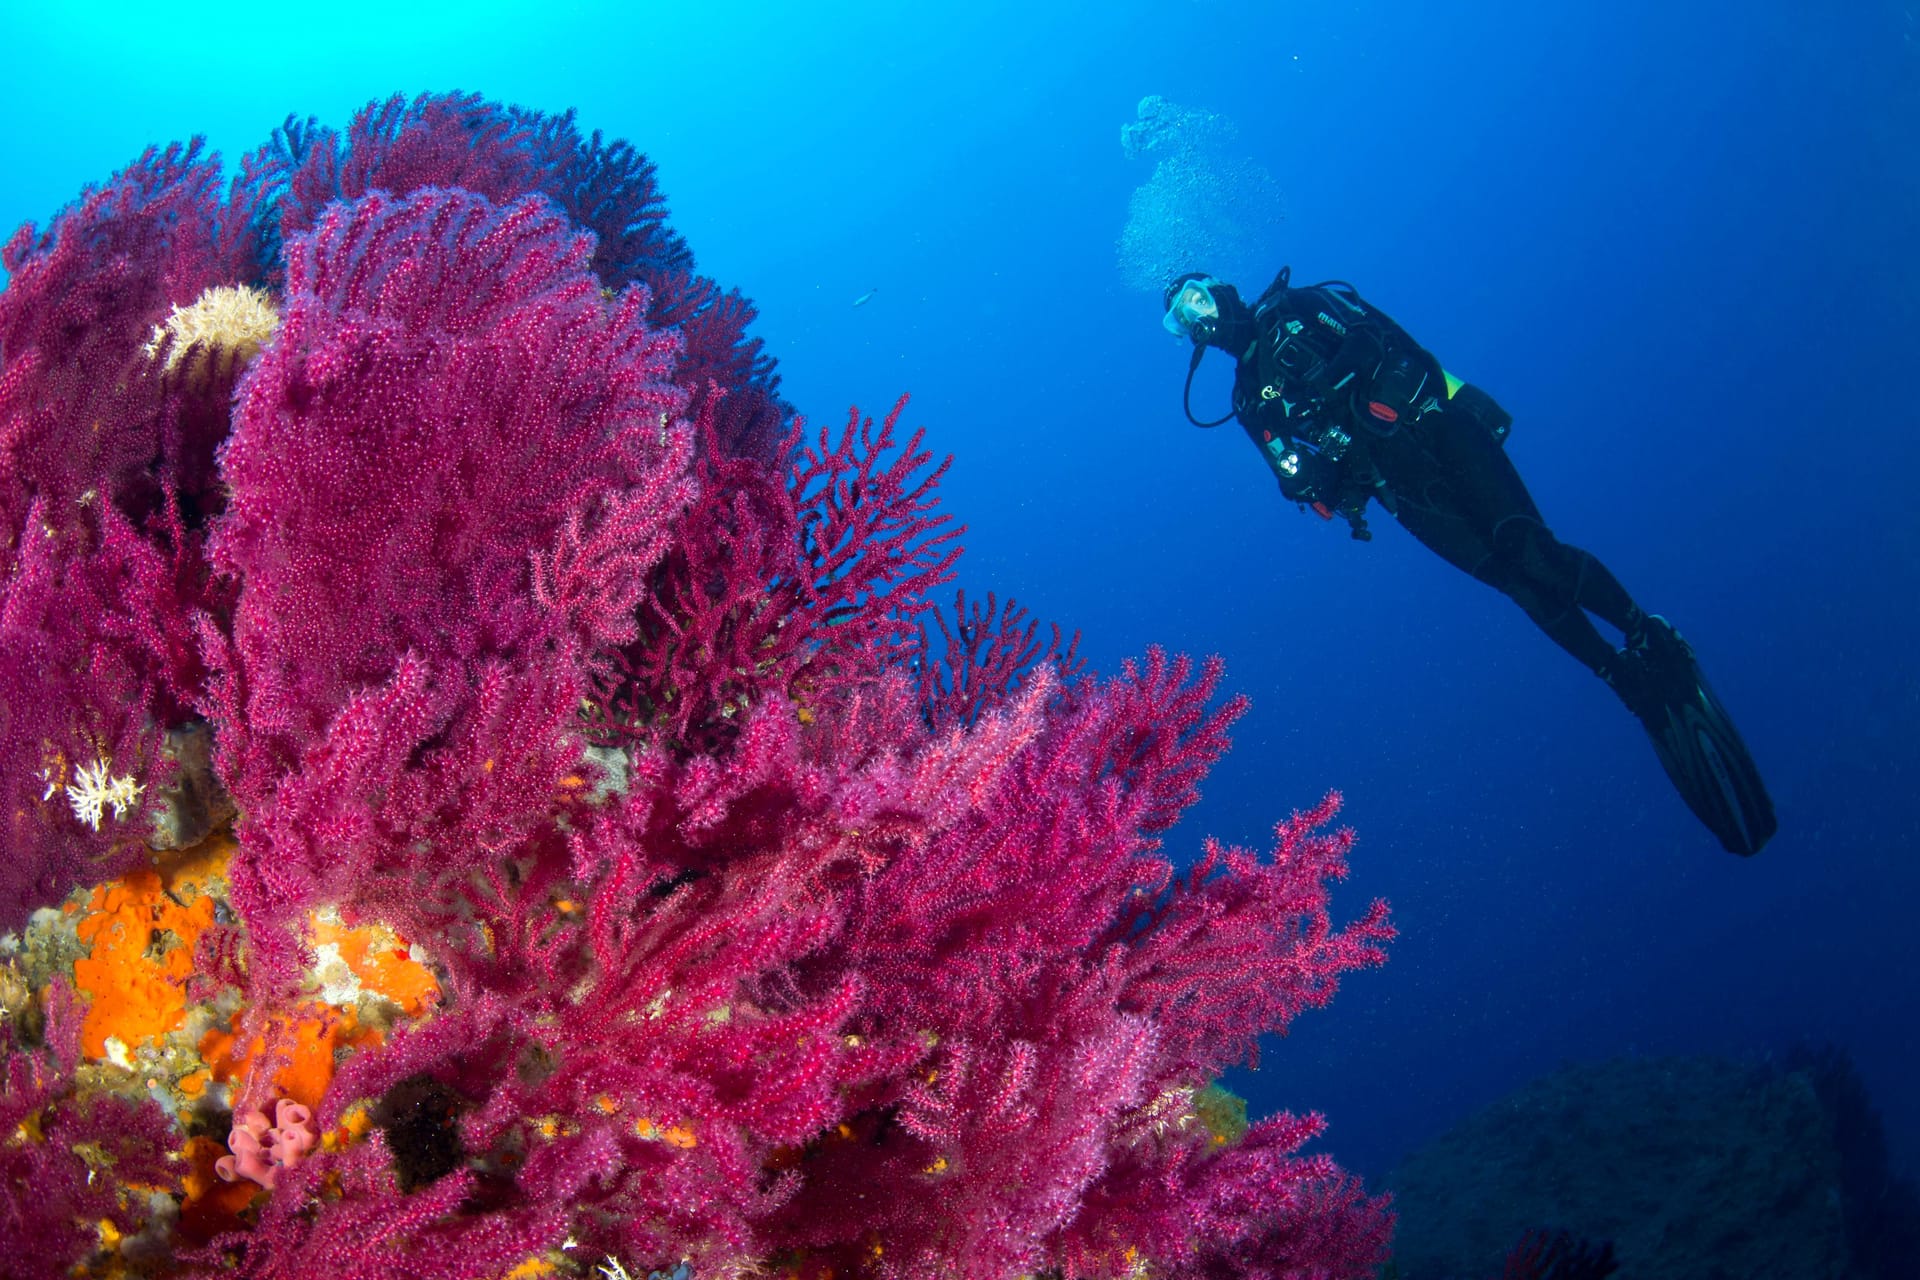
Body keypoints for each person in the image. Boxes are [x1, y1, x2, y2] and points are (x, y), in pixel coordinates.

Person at [1162, 268, 1776, 855]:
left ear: (1221, 289)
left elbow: (1388, 344)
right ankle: (1624, 680)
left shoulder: (1295, 308)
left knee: (1529, 548)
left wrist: (1376, 403)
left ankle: (1646, 630)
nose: (1196, 316)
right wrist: (1312, 483)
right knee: (1515, 582)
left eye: (1196, 298)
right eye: (1181, 317)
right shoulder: (1247, 401)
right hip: (1398, 489)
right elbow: (1290, 471)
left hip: (1440, 429)